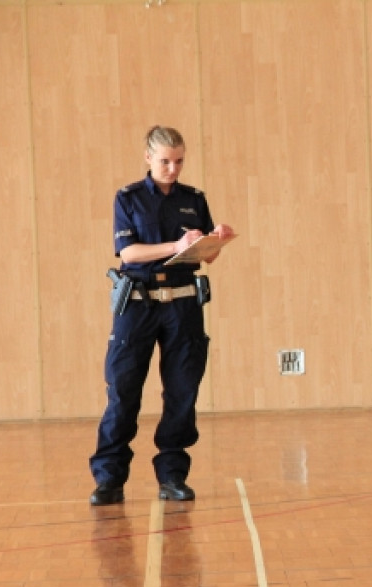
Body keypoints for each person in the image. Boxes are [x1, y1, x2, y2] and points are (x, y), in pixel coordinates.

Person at [88, 126, 235, 506]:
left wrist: (215, 242)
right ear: (148, 157)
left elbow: (203, 256)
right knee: (122, 392)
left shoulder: (194, 199)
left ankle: (172, 475)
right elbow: (128, 254)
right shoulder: (129, 199)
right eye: (166, 161)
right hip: (138, 305)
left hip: (183, 305)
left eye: (179, 161)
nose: (173, 168)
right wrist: (176, 243)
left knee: (182, 394)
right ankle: (110, 479)